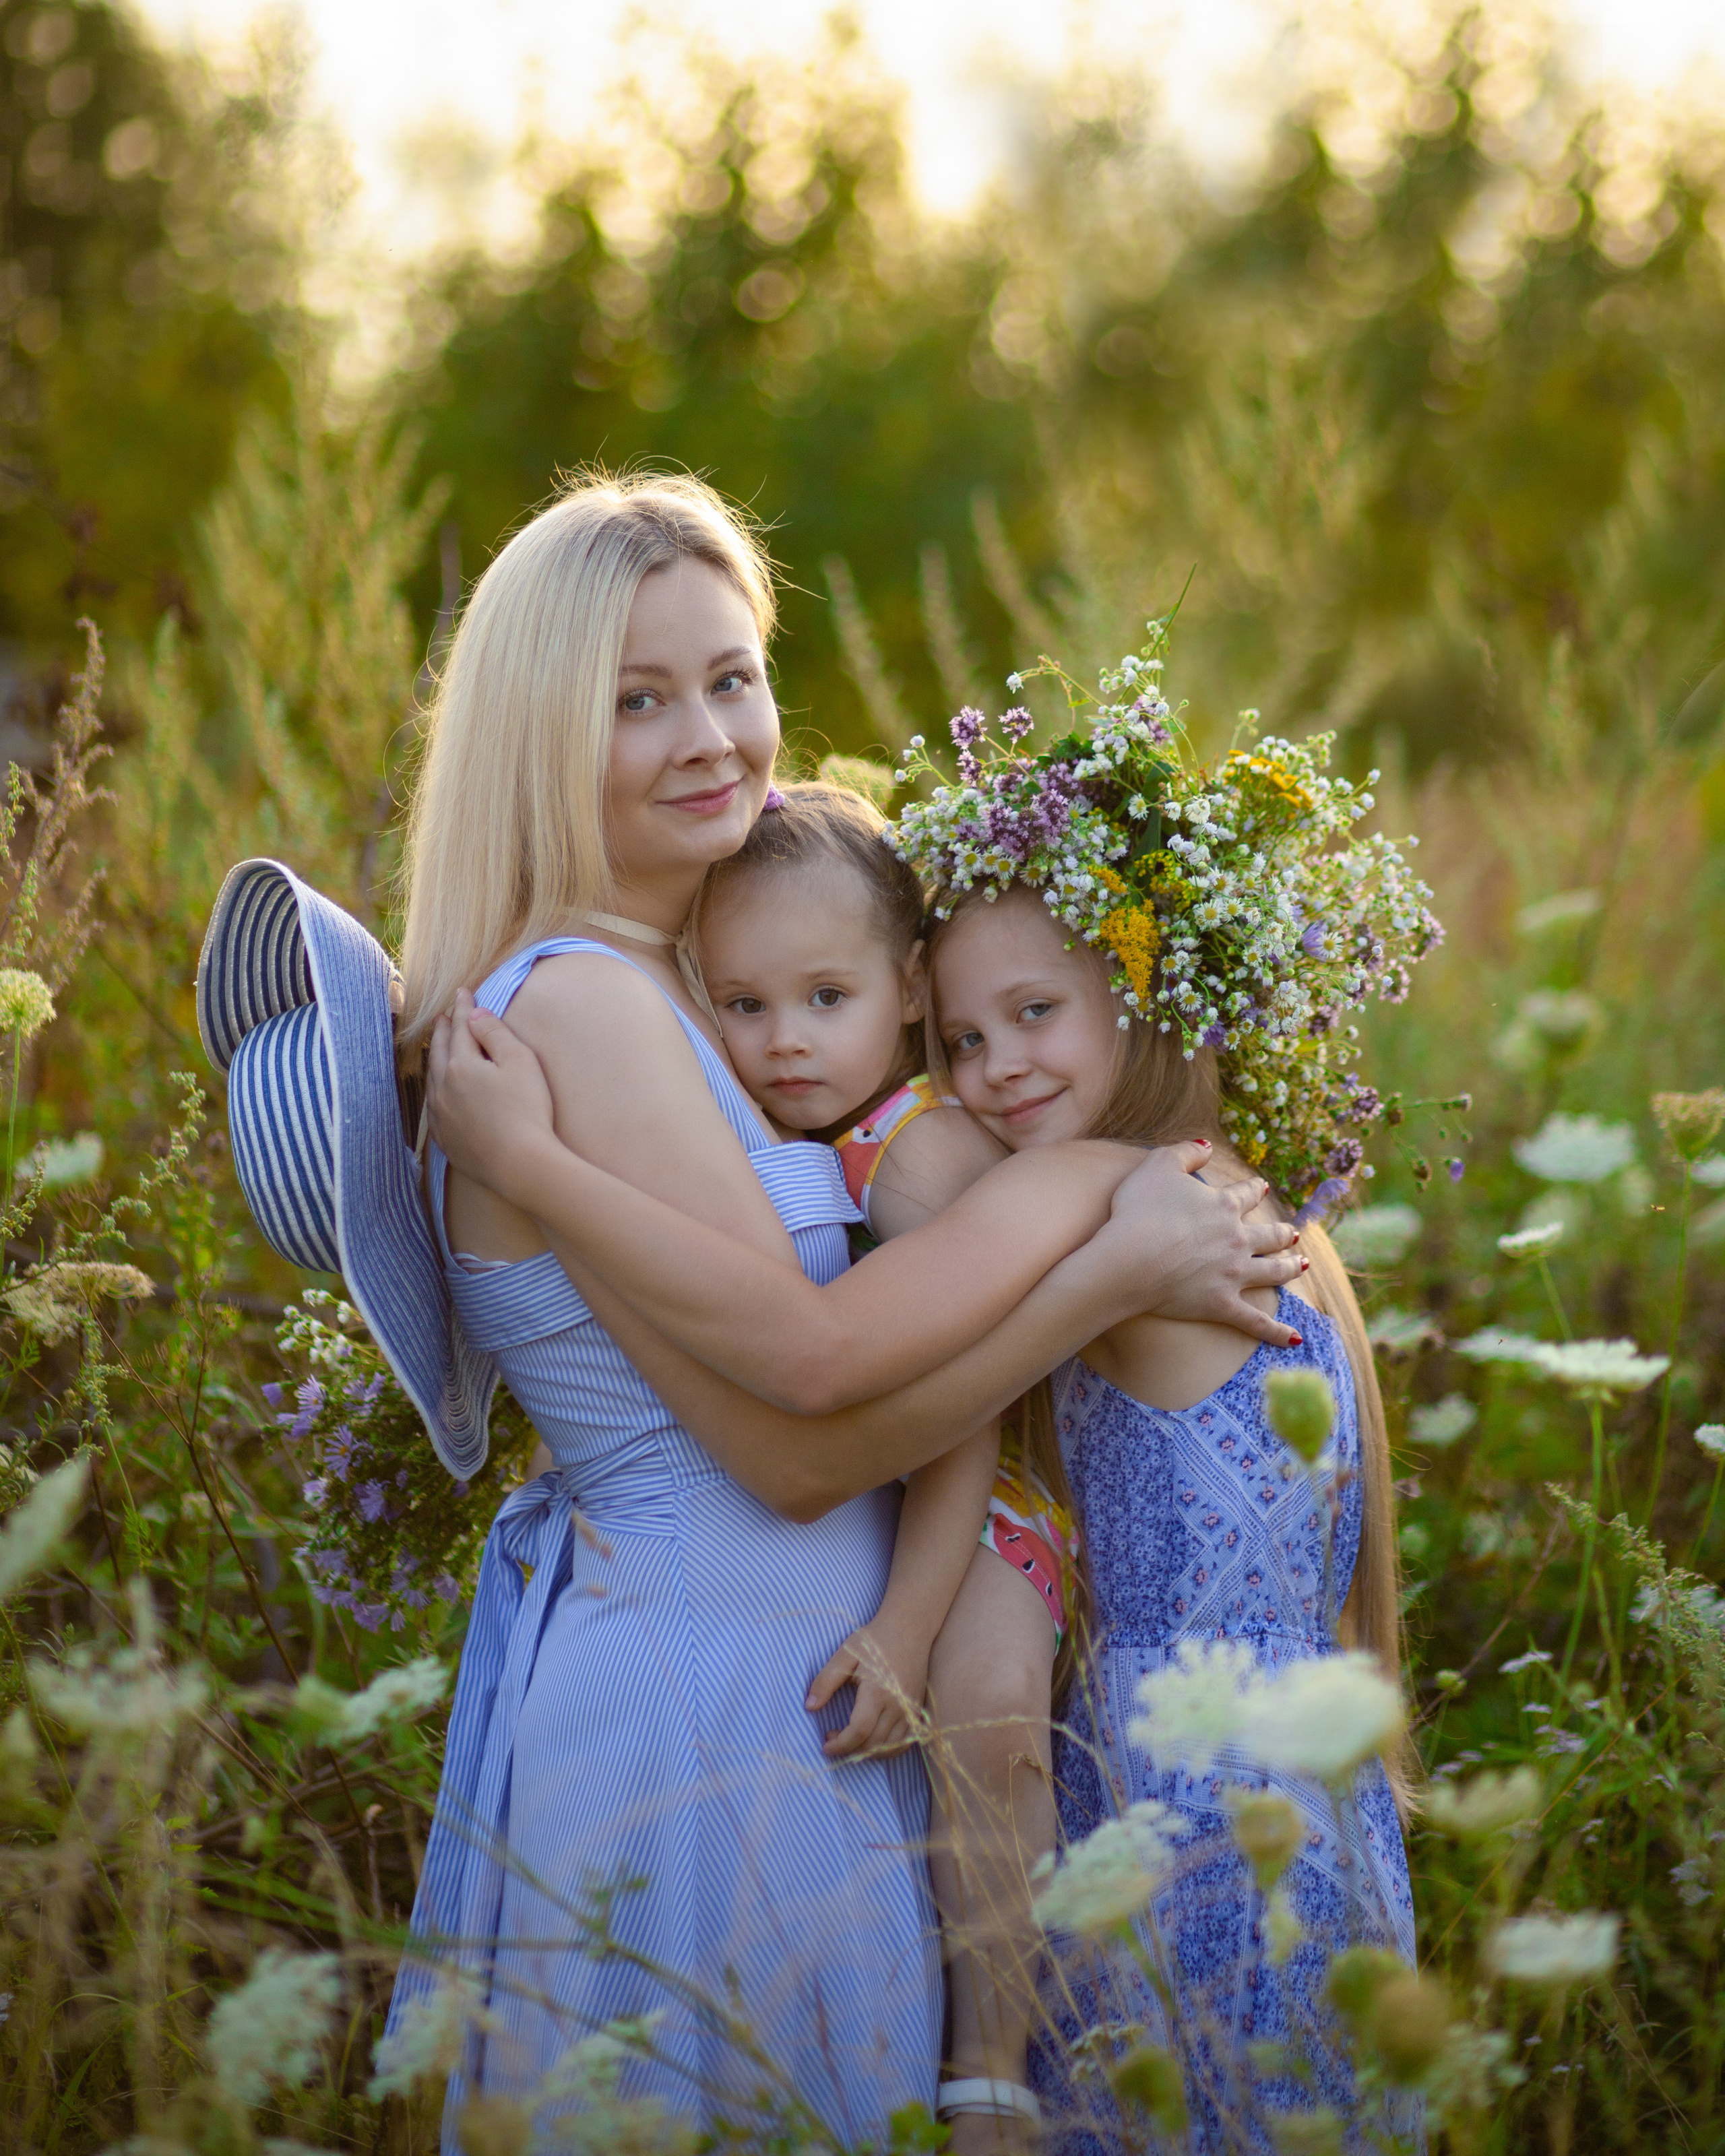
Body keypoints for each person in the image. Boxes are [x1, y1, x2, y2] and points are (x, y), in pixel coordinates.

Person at [385, 471, 1306, 2147]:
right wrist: (1107, 1256)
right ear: (535, 727)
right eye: (637, 698)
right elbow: (804, 1419)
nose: (710, 736)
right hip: (711, 1690)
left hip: (776, 1688)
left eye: (732, 676)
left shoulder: (680, 991)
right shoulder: (586, 1002)